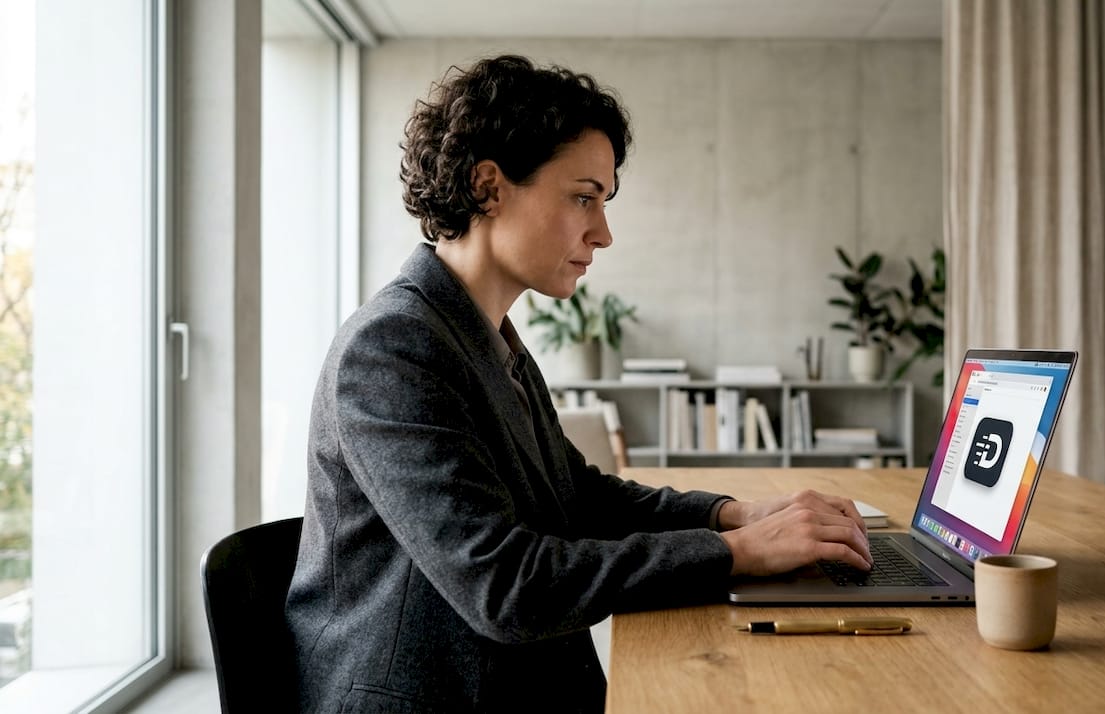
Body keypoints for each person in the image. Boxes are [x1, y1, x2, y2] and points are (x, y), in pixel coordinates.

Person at [285, 54, 873, 713]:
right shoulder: (392, 349)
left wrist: (732, 515)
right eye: (583, 197)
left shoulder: (484, 333)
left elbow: (578, 498)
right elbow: (506, 588)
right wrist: (733, 552)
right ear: (489, 186)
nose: (603, 232)